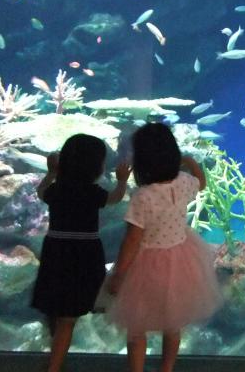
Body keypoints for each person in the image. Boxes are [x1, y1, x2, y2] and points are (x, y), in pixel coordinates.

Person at [108, 123, 223, 372]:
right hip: (182, 258)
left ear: (142, 161)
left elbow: (132, 241)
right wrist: (190, 162)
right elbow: (202, 183)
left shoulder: (143, 196)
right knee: (173, 324)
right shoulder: (184, 182)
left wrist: (119, 274)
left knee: (136, 327)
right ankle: (167, 368)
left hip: (146, 266)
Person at [31, 133, 131, 372]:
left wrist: (51, 173)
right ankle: (54, 366)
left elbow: (41, 191)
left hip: (56, 252)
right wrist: (122, 181)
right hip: (84, 254)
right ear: (96, 166)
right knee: (71, 315)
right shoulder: (92, 192)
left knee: (60, 311)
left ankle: (54, 357)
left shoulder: (57, 189)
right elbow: (115, 198)